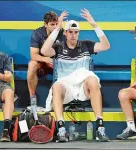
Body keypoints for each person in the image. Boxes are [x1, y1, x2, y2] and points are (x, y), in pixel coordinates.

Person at [41, 9, 110, 142]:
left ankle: (100, 127)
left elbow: (106, 46)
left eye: (76, 32)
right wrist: (57, 29)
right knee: (56, 87)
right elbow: (44, 51)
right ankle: (61, 129)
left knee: (92, 80)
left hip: (82, 85)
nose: (73, 35)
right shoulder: (58, 47)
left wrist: (94, 25)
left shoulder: (86, 45)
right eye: (70, 32)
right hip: (65, 86)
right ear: (65, 33)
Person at [27, 11, 64, 108]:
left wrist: (55, 61)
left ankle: (63, 100)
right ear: (45, 24)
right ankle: (32, 98)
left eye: (56, 24)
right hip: (42, 63)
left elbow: (65, 54)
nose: (55, 27)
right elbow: (34, 55)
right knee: (32, 64)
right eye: (52, 24)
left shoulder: (62, 33)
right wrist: (46, 60)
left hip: (57, 63)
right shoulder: (37, 33)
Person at [0, 27, 15, 142]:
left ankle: (6, 131)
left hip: (0, 86)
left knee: (9, 92)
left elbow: (9, 77)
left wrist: (3, 76)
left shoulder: (2, 56)